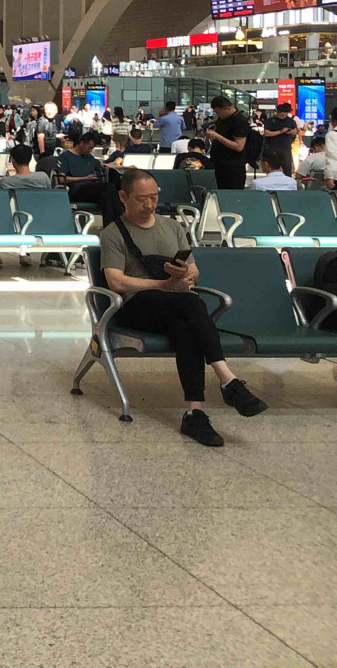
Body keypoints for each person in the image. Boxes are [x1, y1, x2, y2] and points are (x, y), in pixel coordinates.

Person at [99, 167, 267, 446]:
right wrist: (162, 284)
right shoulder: (112, 233)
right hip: (136, 305)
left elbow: (193, 270)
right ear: (123, 197)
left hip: (174, 304)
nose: (149, 204)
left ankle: (194, 413)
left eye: (153, 197)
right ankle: (227, 379)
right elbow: (116, 281)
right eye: (141, 199)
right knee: (192, 303)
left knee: (185, 327)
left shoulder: (173, 227)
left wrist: (185, 277)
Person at [57, 131, 121, 223]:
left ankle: (111, 227)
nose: (90, 150)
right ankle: (121, 217)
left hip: (91, 190)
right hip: (76, 189)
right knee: (109, 187)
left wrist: (125, 167)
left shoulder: (89, 157)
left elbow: (104, 165)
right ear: (82, 143)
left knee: (106, 197)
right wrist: (84, 178)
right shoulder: (65, 156)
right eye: (89, 147)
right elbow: (61, 179)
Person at [205, 94, 251, 190]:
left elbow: (239, 146)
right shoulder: (222, 119)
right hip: (220, 164)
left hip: (233, 167)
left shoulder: (239, 121)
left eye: (218, 112)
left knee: (231, 193)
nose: (218, 115)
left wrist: (217, 137)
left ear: (227, 108)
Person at [262, 102, 299, 175]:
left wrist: (290, 131)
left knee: (287, 168)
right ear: (277, 112)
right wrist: (280, 132)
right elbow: (266, 133)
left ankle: (287, 180)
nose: (282, 115)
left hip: (286, 148)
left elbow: (295, 131)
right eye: (280, 113)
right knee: (272, 168)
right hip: (273, 147)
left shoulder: (290, 121)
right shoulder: (270, 121)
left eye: (284, 114)